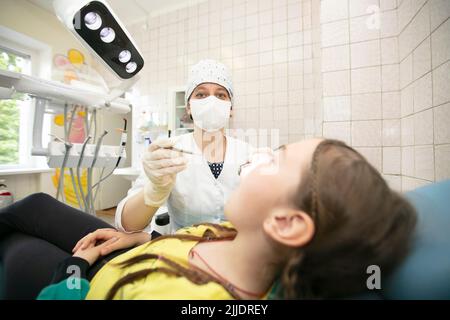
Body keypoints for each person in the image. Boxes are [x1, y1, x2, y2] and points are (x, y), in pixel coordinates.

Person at [0, 139, 417, 300]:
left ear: (286, 223)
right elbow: (153, 227)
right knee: (36, 204)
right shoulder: (228, 234)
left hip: (86, 283)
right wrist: (144, 237)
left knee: (18, 249)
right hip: (139, 254)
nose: (255, 159)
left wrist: (74, 271)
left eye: (273, 161)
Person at [116, 59, 253, 235]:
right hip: (183, 253)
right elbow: (127, 225)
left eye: (220, 95)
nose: (211, 101)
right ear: (189, 107)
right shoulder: (168, 153)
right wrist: (155, 190)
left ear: (231, 108)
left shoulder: (248, 153)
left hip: (239, 252)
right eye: (201, 95)